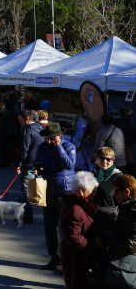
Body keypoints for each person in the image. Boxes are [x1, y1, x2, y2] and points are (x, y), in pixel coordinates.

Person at [34, 122, 77, 271]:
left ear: (59, 136)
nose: (48, 141)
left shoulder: (69, 147)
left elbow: (69, 165)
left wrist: (58, 147)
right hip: (47, 190)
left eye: (51, 138)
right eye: (46, 138)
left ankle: (67, 260)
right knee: (49, 227)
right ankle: (54, 258)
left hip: (63, 192)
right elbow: (37, 162)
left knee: (66, 228)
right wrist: (37, 169)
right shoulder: (42, 147)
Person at [58, 171, 100, 289]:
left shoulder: (79, 205)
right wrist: (93, 244)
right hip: (75, 258)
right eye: (93, 190)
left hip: (78, 256)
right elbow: (72, 237)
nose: (95, 194)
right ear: (82, 191)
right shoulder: (75, 209)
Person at [95, 174, 136, 288]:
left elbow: (129, 246)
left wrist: (106, 237)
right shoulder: (128, 207)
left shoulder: (133, 212)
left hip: (127, 271)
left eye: (117, 192)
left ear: (127, 192)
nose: (114, 195)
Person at [15, 109, 45, 224]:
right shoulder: (40, 128)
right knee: (36, 190)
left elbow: (24, 150)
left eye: (21, 120)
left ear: (26, 119)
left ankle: (28, 215)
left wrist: (18, 164)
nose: (20, 123)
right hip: (38, 163)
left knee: (26, 191)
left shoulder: (27, 131)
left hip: (28, 164)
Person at [92, 146, 122, 227]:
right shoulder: (92, 174)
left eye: (108, 159)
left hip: (110, 218)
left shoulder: (118, 177)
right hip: (93, 216)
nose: (104, 161)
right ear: (96, 159)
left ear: (113, 161)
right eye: (101, 158)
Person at [0, 101, 18, 168]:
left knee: (3, 148)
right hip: (12, 132)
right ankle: (8, 161)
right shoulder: (8, 111)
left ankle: (5, 162)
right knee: (9, 147)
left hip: (3, 132)